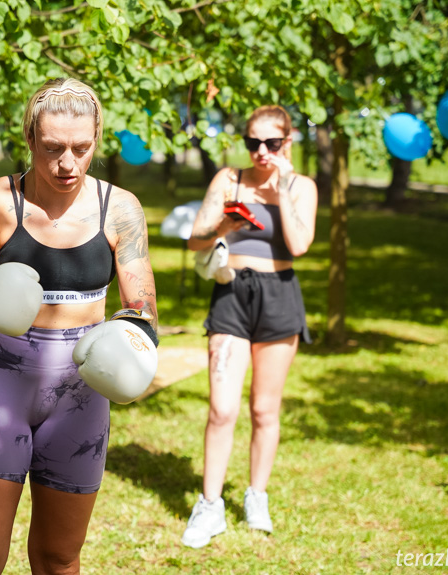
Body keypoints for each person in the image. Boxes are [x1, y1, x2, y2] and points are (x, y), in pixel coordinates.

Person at [0, 77, 159, 575]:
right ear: (29, 140)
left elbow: (143, 306)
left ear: (97, 142)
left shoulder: (121, 208)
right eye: (53, 148)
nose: (67, 163)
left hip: (81, 396)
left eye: (82, 149)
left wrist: (134, 336)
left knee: (59, 558)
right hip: (0, 388)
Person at [182, 105, 318, 548]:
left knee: (264, 409)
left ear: (288, 143)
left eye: (272, 144)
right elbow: (194, 241)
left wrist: (279, 192)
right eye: (253, 143)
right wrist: (226, 221)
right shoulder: (228, 180)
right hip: (232, 294)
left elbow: (299, 245)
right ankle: (209, 505)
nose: (261, 152)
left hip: (280, 295)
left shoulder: (303, 187)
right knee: (222, 408)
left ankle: (256, 495)